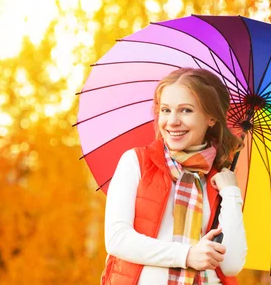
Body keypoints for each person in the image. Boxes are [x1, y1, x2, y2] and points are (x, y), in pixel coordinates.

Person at [101, 68, 248, 285]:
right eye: (165, 110)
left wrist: (231, 193)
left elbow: (231, 264)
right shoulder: (137, 162)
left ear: (211, 118)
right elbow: (117, 239)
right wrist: (186, 255)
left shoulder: (220, 179)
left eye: (186, 111)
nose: (172, 121)